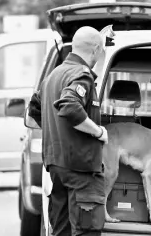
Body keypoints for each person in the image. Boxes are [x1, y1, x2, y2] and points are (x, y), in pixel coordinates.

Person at [28, 26, 108, 235]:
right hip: (80, 171)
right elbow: (70, 107)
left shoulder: (54, 75)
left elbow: (33, 109)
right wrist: (98, 131)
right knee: (86, 230)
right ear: (96, 49)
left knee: (61, 230)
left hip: (57, 168)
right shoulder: (82, 75)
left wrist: (56, 132)